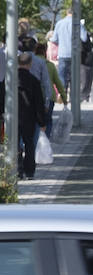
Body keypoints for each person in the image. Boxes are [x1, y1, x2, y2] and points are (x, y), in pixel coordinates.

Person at [14, 52, 47, 180]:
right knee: (29, 144)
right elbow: (39, 103)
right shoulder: (34, 81)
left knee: (14, 143)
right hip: (29, 117)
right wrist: (42, 122)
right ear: (30, 64)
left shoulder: (10, 79)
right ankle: (29, 171)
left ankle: (17, 170)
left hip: (14, 116)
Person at [34, 41, 66, 131]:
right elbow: (58, 83)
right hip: (49, 96)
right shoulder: (50, 65)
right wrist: (64, 97)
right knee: (47, 120)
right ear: (45, 52)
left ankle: (36, 141)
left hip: (34, 96)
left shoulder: (31, 63)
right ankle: (46, 140)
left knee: (35, 120)